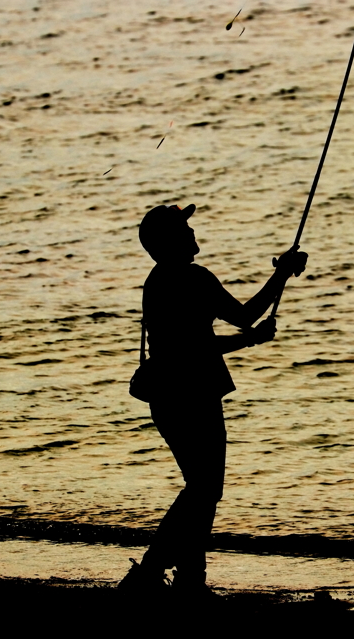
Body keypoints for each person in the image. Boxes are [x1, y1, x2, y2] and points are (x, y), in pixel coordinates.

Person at [119, 203, 307, 596]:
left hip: (168, 400)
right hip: (195, 396)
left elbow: (194, 343)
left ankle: (187, 579)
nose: (191, 232)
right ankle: (154, 571)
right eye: (183, 228)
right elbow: (243, 316)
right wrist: (280, 273)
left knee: (200, 488)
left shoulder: (156, 281)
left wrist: (250, 335)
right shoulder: (194, 278)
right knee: (204, 490)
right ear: (170, 240)